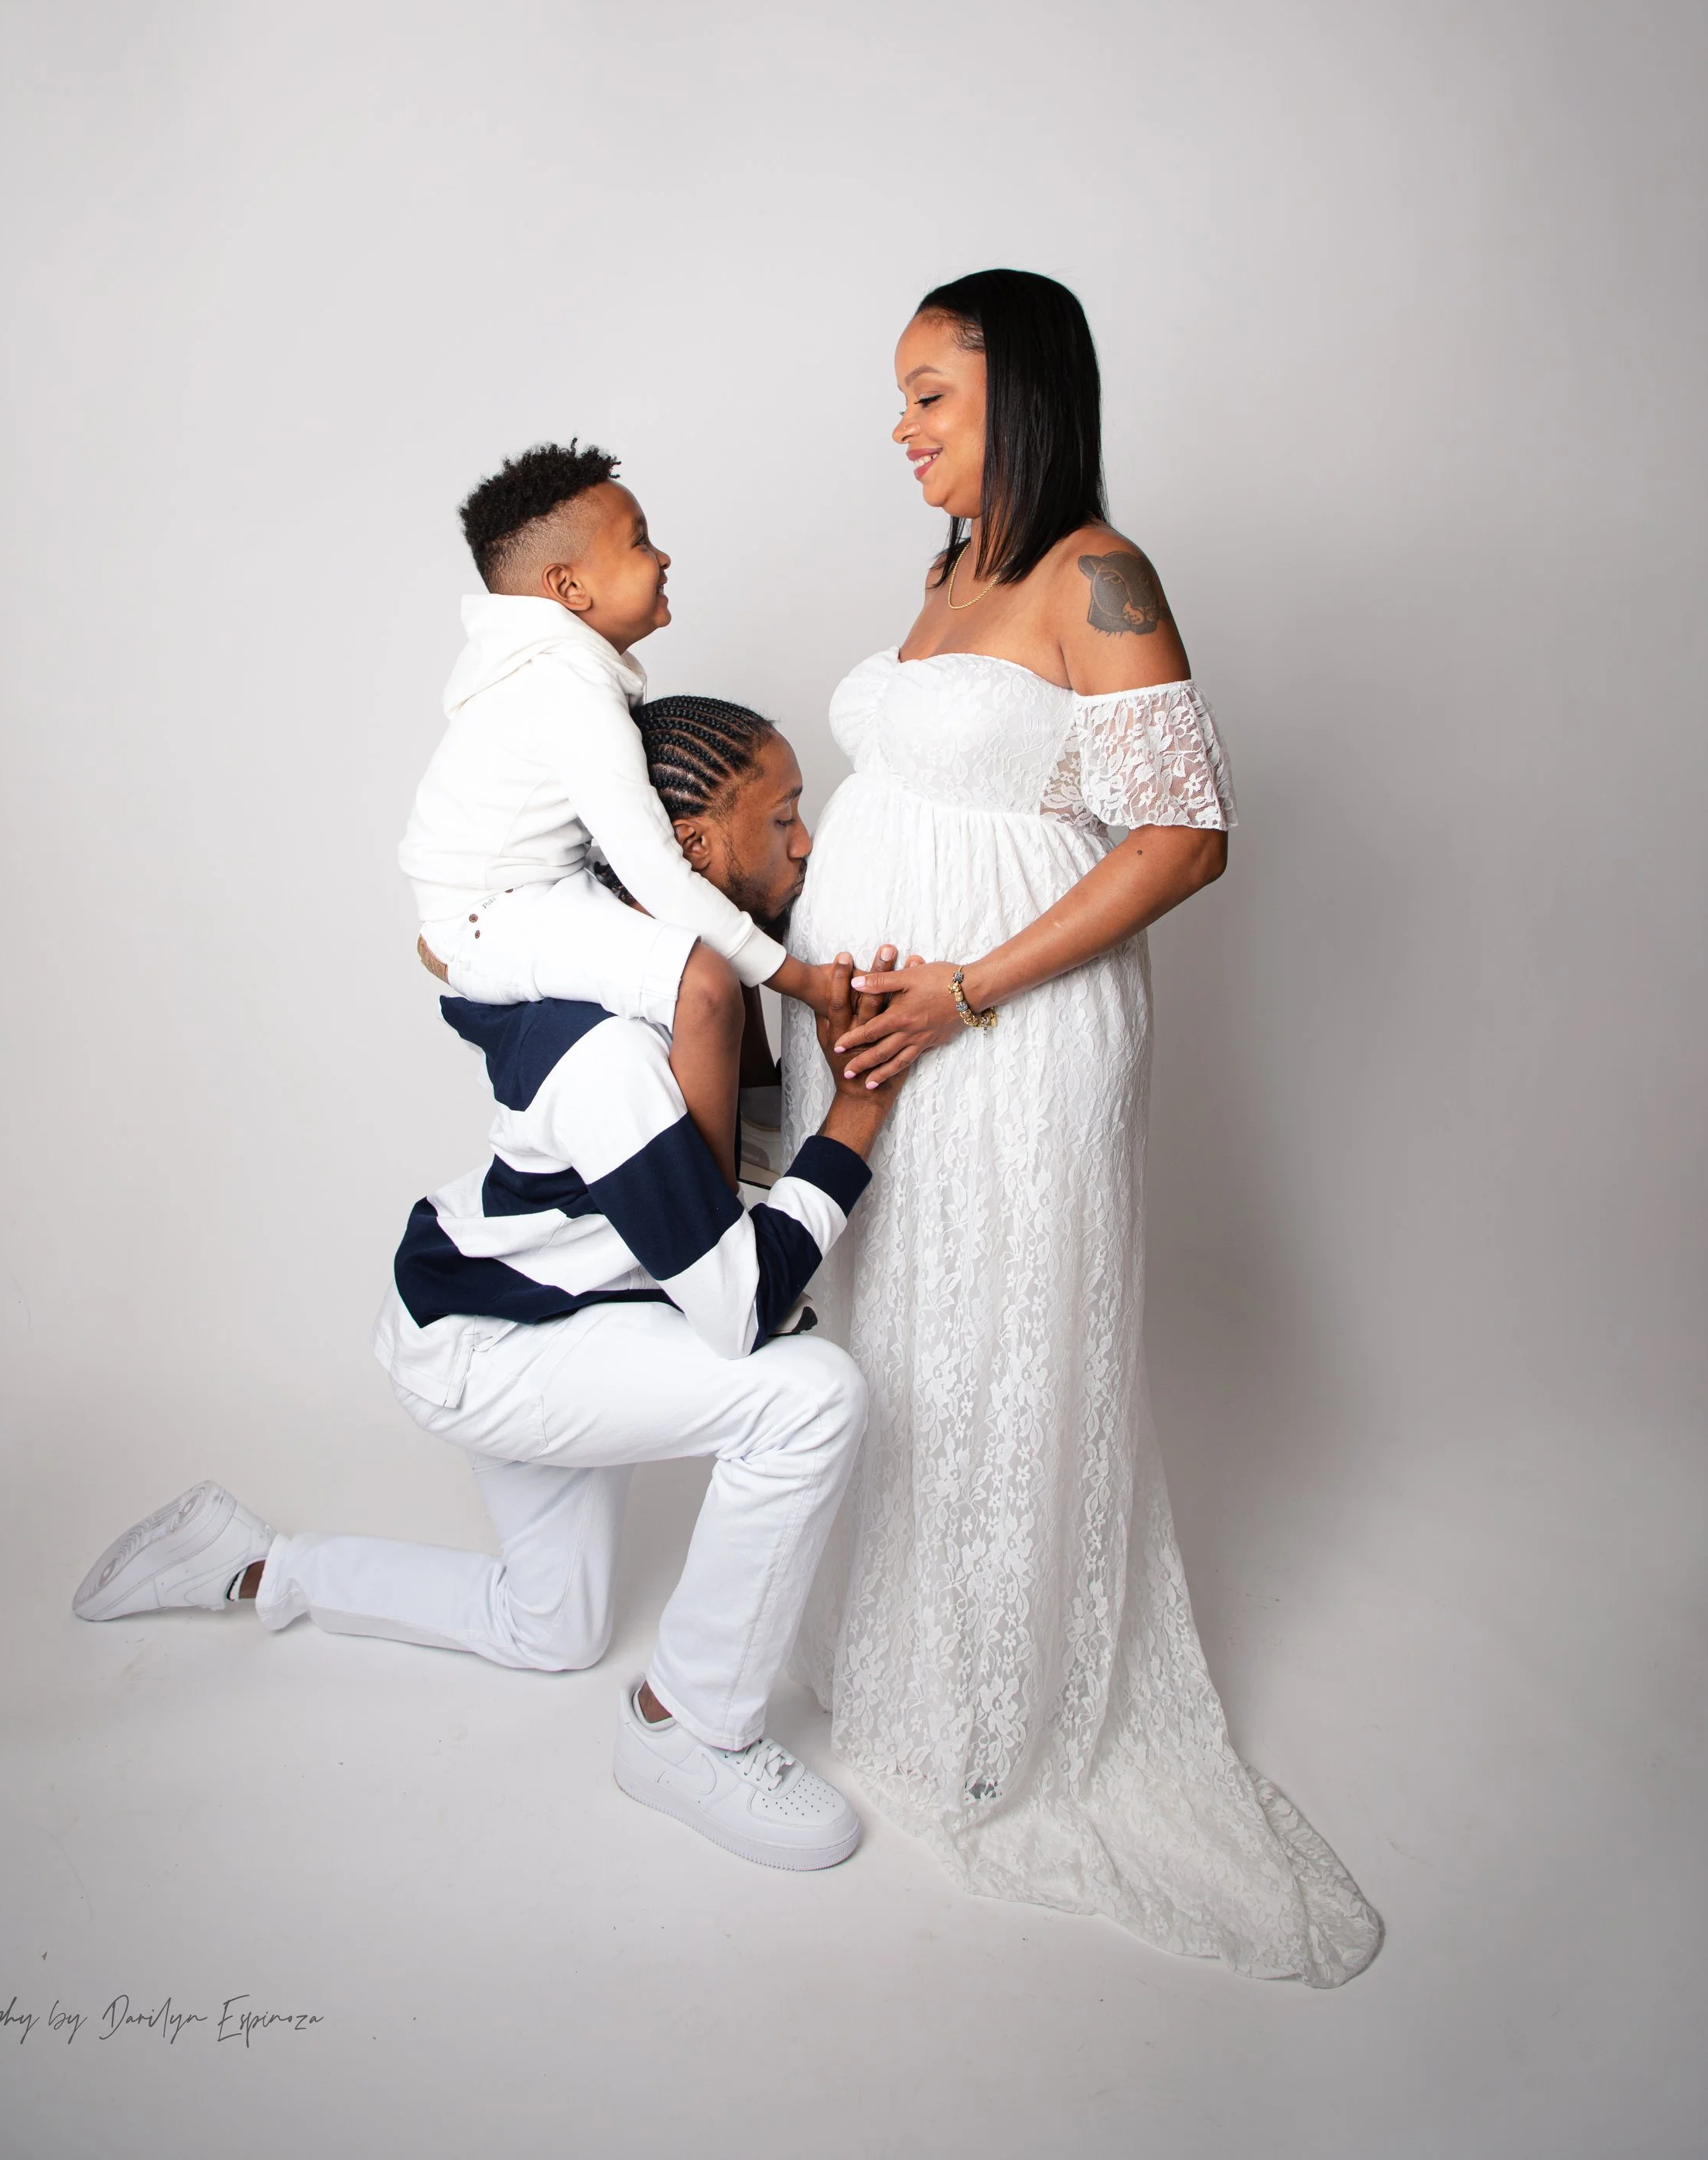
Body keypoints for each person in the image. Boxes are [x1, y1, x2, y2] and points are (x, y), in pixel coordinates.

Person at [781, 268, 1383, 1982]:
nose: (896, 429)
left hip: (1016, 1028)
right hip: (898, 1026)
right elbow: (916, 798)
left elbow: (1181, 832)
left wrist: (967, 986)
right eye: (896, 400)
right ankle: (907, 1672)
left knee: (999, 1350)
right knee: (900, 1337)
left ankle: (1003, 1719)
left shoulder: (1093, 571)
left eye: (927, 396)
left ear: (1018, 392)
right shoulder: (948, 570)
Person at [73, 701, 912, 1875]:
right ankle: (690, 1730)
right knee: (811, 1394)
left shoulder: (705, 989)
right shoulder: (610, 1049)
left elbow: (732, 1189)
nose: (806, 841)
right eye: (782, 816)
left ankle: (250, 1560)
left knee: (550, 1626)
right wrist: (862, 1121)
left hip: (523, 1320)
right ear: (692, 847)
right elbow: (733, 1309)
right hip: (490, 1351)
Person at [398, 439, 848, 1185]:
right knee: (703, 981)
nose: (663, 556)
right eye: (638, 540)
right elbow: (655, 867)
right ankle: (716, 1213)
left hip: (521, 898)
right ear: (569, 586)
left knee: (710, 947)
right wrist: (798, 980)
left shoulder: (560, 673)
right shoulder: (566, 684)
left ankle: (753, 1164)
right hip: (489, 914)